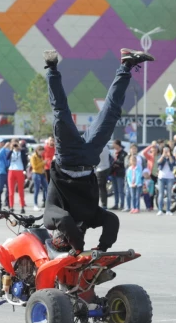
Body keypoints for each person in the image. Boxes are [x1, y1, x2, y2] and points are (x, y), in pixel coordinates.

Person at [43, 48, 152, 255]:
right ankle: (126, 65)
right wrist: (102, 249)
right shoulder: (88, 217)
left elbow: (64, 220)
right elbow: (112, 220)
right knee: (111, 113)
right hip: (90, 157)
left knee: (61, 113)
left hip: (67, 156)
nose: (80, 231)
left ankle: (52, 68)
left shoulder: (51, 218)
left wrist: (78, 248)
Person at [6, 139, 28, 214]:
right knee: (11, 191)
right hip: (11, 170)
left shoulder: (22, 151)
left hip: (20, 170)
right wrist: (11, 148)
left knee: (20, 190)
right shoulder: (11, 151)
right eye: (13, 143)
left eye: (16, 143)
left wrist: (20, 148)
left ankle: (22, 206)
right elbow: (7, 157)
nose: (15, 145)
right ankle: (11, 206)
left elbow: (25, 160)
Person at [124, 144, 143, 212]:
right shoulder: (127, 158)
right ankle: (130, 207)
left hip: (137, 183)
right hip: (130, 183)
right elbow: (127, 174)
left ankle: (137, 208)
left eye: (135, 148)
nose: (133, 150)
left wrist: (136, 183)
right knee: (130, 195)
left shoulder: (140, 158)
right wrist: (130, 183)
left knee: (137, 196)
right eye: (132, 148)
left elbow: (139, 175)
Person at [157, 145, 175, 216]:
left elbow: (172, 163)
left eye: (168, 150)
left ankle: (168, 210)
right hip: (161, 177)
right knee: (161, 194)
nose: (166, 151)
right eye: (165, 150)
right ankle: (160, 210)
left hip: (170, 177)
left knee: (169, 194)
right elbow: (158, 163)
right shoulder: (161, 156)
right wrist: (163, 155)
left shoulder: (172, 157)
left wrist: (169, 156)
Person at [29, 145, 48, 211]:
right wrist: (43, 163)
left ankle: (47, 203)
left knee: (46, 188)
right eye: (41, 152)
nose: (42, 153)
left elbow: (41, 166)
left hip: (42, 174)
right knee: (36, 190)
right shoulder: (33, 156)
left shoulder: (40, 156)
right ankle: (35, 204)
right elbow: (34, 167)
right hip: (36, 174)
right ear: (37, 150)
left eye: (42, 152)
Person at [110, 140, 127, 210]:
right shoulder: (114, 152)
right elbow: (111, 162)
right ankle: (116, 204)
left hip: (120, 174)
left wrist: (116, 163)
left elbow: (123, 163)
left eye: (114, 144)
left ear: (118, 145)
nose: (113, 146)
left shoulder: (124, 153)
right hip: (113, 173)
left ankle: (122, 204)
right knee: (115, 190)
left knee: (120, 190)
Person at [95, 145, 112, 209]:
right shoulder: (106, 146)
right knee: (103, 188)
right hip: (106, 168)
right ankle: (104, 204)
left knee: (100, 188)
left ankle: (103, 205)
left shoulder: (98, 147)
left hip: (100, 169)